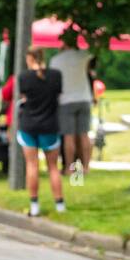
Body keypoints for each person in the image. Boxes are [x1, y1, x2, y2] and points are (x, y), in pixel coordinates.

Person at [15, 47, 64, 216]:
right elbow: (57, 97)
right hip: (50, 125)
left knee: (32, 165)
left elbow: (24, 98)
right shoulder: (56, 75)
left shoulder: (24, 77)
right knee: (53, 167)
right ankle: (59, 204)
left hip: (29, 126)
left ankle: (34, 204)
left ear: (29, 58)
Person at [49, 37, 93, 177]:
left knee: (69, 136)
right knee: (84, 135)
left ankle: (69, 168)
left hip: (66, 100)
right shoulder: (83, 55)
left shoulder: (56, 60)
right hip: (84, 98)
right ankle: (85, 167)